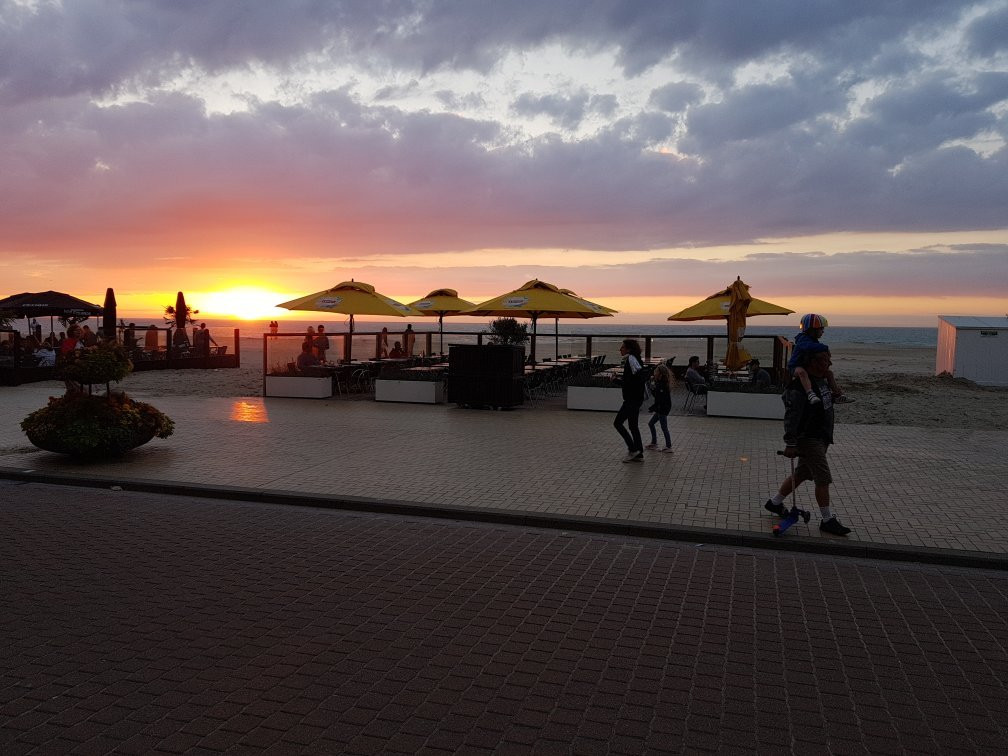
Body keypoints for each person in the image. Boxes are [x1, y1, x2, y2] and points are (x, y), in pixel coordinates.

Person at [763, 350, 852, 536]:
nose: (830, 363)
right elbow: (792, 416)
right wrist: (790, 443)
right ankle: (827, 520)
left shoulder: (821, 381)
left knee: (803, 473)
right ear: (812, 362)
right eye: (825, 360)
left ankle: (775, 502)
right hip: (809, 438)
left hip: (821, 436)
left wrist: (834, 394)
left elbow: (823, 403)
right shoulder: (798, 387)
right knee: (823, 477)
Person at [788, 313, 852, 404]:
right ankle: (810, 393)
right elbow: (808, 347)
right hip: (795, 367)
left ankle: (837, 394)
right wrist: (825, 348)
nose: (823, 331)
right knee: (802, 372)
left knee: (829, 373)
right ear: (812, 330)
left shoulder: (813, 340)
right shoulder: (803, 340)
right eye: (821, 329)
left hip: (806, 367)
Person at [613, 338, 646, 463]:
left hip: (632, 399)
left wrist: (616, 380)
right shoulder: (635, 358)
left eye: (622, 347)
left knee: (618, 423)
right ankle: (639, 453)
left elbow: (632, 381)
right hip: (637, 398)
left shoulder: (631, 359)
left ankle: (633, 450)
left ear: (628, 349)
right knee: (633, 426)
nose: (620, 349)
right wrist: (618, 380)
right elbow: (633, 380)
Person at [645, 363, 673, 453]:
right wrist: (652, 388)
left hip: (662, 409)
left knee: (664, 427)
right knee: (651, 424)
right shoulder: (659, 383)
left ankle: (668, 446)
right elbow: (657, 396)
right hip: (660, 408)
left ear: (660, 374)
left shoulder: (662, 385)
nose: (654, 373)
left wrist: (653, 408)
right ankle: (654, 443)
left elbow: (660, 399)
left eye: (656, 371)